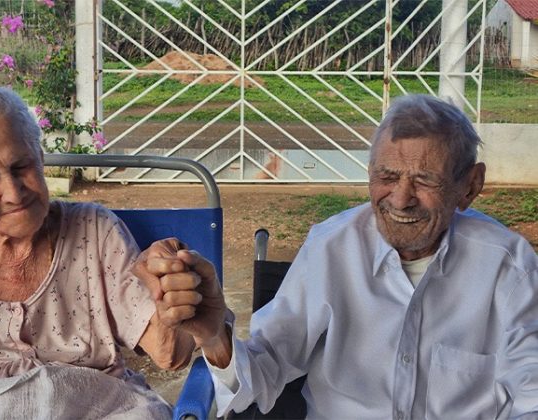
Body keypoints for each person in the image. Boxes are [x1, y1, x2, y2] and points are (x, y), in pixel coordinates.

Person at [135, 94, 538, 419]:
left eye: (424, 180)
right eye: (386, 176)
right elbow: (264, 371)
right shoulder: (332, 248)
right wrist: (212, 335)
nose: (400, 198)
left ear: (470, 186)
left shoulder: (509, 267)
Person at [0, 86, 196, 419]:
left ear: (39, 157)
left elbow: (170, 353)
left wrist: (170, 293)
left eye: (21, 166)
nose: (14, 193)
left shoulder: (95, 230)